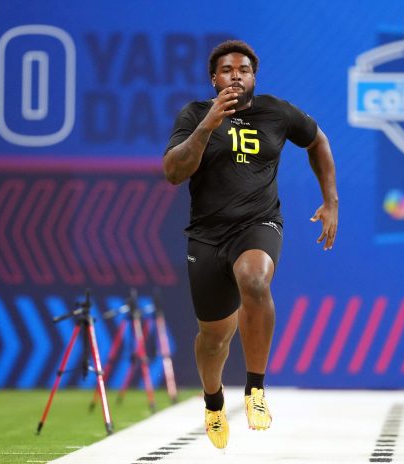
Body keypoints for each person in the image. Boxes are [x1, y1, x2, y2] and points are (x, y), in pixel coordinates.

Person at [163, 40, 338, 449]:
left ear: (254, 76)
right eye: (227, 70)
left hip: (258, 224)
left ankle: (255, 390)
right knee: (214, 338)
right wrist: (208, 124)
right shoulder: (194, 114)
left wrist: (330, 202)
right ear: (214, 79)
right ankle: (213, 401)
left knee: (256, 281)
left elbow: (319, 143)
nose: (236, 75)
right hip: (206, 236)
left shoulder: (276, 112)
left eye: (244, 69)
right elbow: (173, 171)